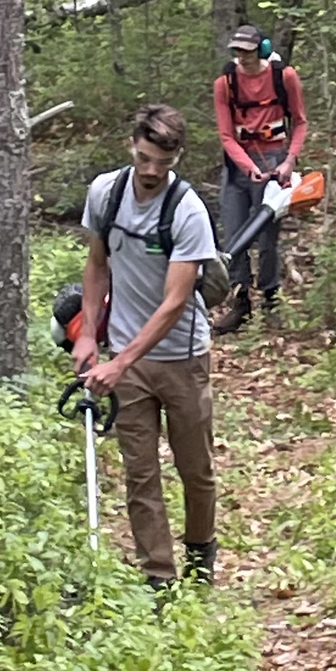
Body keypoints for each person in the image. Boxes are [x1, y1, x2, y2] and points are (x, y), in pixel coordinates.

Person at [76, 103, 222, 586]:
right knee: (141, 474)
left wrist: (120, 362)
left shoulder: (187, 211)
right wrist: (90, 338)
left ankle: (201, 557)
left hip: (181, 358)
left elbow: (174, 304)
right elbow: (97, 267)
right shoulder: (106, 193)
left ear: (177, 156)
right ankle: (159, 578)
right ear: (131, 148)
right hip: (124, 359)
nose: (152, 171)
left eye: (163, 161)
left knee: (195, 471)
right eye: (144, 158)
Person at [210, 23, 308, 334]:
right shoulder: (225, 83)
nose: (243, 58)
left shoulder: (284, 77)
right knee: (235, 236)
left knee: (268, 238)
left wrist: (289, 162)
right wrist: (246, 166)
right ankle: (240, 301)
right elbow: (226, 135)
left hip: (276, 159)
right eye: (237, 52)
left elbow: (301, 123)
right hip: (239, 166)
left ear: (261, 50)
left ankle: (270, 298)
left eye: (248, 52)